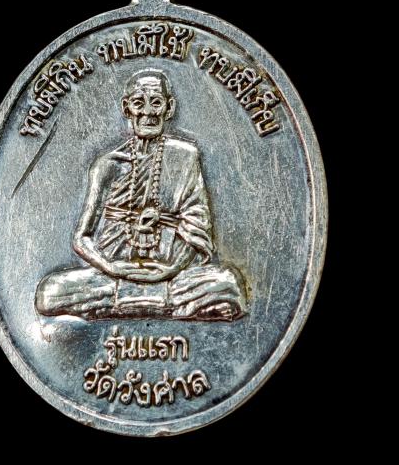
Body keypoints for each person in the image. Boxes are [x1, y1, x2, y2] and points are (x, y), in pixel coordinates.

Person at [35, 69, 247, 321]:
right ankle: (165, 304)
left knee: (228, 283)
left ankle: (122, 304)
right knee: (49, 292)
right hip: (111, 274)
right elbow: (82, 238)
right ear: (127, 109)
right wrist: (112, 267)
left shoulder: (185, 156)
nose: (148, 112)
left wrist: (168, 271)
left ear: (169, 108)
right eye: (139, 103)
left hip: (170, 272)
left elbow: (196, 230)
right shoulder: (107, 165)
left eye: (156, 102)